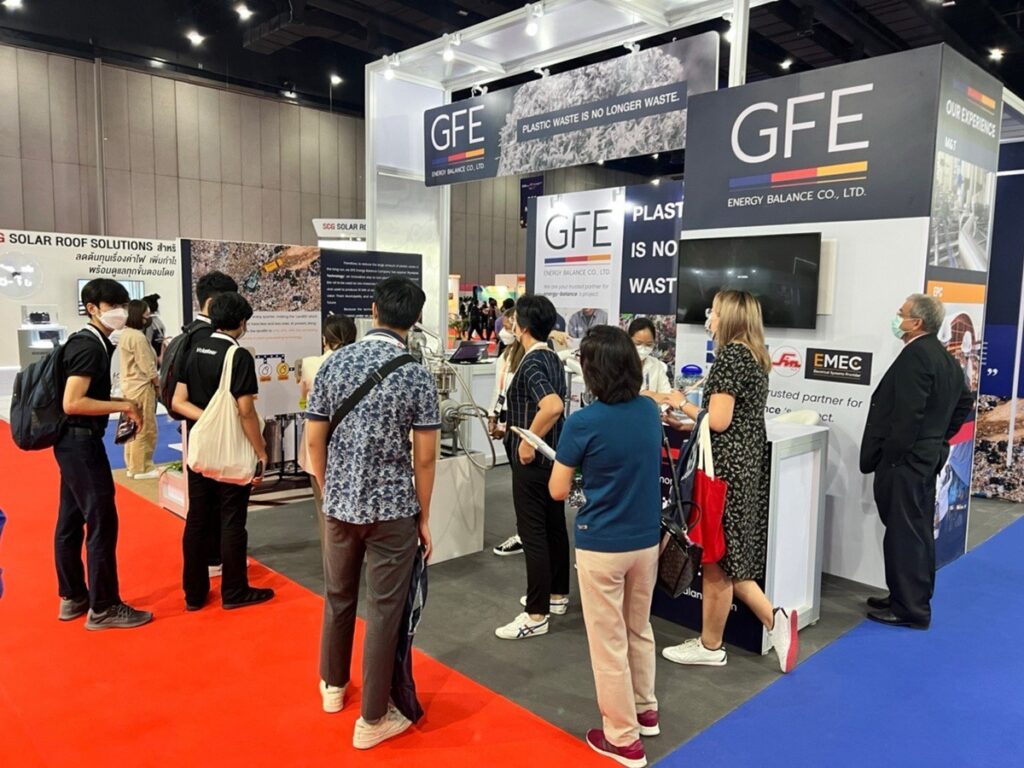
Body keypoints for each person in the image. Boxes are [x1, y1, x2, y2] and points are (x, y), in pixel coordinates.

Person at [306, 277, 440, 750]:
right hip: (394, 510)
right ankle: (373, 718)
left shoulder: (334, 363)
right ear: (415, 319)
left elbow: (314, 441)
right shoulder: (417, 375)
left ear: (374, 310)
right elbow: (426, 457)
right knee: (385, 611)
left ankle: (333, 685)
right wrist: (424, 517)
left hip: (339, 506)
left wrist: (330, 489)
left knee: (338, 595)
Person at [661, 290, 799, 674]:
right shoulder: (755, 356)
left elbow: (719, 421)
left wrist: (680, 402)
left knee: (719, 558)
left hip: (724, 474)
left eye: (716, 312)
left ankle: (766, 622)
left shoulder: (731, 357)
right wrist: (691, 423)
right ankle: (719, 640)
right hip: (743, 469)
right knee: (723, 558)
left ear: (730, 317)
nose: (711, 318)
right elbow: (729, 421)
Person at [550, 326, 663, 768]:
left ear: (592, 371)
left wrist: (583, 480)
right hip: (645, 540)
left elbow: (558, 490)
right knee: (639, 628)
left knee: (608, 642)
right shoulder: (647, 411)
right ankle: (645, 709)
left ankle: (623, 738)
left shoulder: (583, 422)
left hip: (602, 544)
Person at [860, 294, 974, 629]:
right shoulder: (942, 356)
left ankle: (910, 609)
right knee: (915, 531)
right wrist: (938, 439)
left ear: (917, 322)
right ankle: (906, 596)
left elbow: (908, 414)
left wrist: (898, 454)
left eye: (902, 313)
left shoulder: (917, 356)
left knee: (905, 535)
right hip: (923, 459)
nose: (897, 317)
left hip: (905, 464)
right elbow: (964, 401)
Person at [55, 278, 152, 630]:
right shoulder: (88, 346)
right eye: (113, 306)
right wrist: (123, 405)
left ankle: (73, 596)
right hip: (80, 442)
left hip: (71, 442)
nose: (120, 312)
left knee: (70, 520)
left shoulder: (90, 341)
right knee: (101, 520)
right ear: (92, 308)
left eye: (123, 305)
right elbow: (73, 402)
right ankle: (104, 606)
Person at [172, 292, 275, 612]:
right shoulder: (238, 355)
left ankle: (194, 593)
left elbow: (177, 401)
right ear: (242, 322)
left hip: (201, 447)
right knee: (232, 518)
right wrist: (261, 450)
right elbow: (246, 411)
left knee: (197, 518)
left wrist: (210, 422)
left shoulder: (192, 348)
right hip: (230, 449)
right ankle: (234, 590)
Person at [495, 294, 569, 640]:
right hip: (553, 459)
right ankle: (556, 594)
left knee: (533, 533)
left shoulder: (533, 362)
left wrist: (528, 441)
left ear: (521, 326)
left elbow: (551, 406)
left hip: (533, 462)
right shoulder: (552, 357)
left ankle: (536, 614)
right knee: (554, 527)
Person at [181, 271, 239, 579]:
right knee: (222, 506)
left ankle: (196, 581)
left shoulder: (189, 335)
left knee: (201, 507)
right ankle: (217, 561)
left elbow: (178, 397)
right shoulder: (219, 343)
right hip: (217, 433)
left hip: (197, 429)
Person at [297, 313, 357, 535]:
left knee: (326, 516)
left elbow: (303, 399)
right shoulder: (362, 365)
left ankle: (332, 556)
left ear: (324, 339)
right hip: (353, 445)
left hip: (317, 445)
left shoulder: (310, 364)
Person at [489, 308, 527, 557]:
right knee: (519, 485)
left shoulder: (530, 358)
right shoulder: (506, 354)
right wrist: (493, 417)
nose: (504, 331)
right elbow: (499, 390)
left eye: (508, 326)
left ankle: (527, 535)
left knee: (526, 488)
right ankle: (524, 533)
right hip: (507, 426)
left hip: (523, 429)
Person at [119, 299, 161, 480]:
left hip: (130, 386)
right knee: (145, 427)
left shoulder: (126, 334)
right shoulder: (137, 337)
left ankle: (132, 465)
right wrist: (158, 385)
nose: (148, 318)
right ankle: (142, 467)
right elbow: (148, 366)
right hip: (141, 387)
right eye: (146, 314)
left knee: (132, 426)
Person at [628, 316, 673, 400]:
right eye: (638, 344)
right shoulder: (618, 364)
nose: (643, 349)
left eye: (648, 344)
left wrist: (653, 395)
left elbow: (667, 395)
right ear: (628, 340)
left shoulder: (656, 364)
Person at [142, 293, 166, 360]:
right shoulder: (159, 322)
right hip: (159, 357)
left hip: (151, 358)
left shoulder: (148, 323)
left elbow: (147, 344)